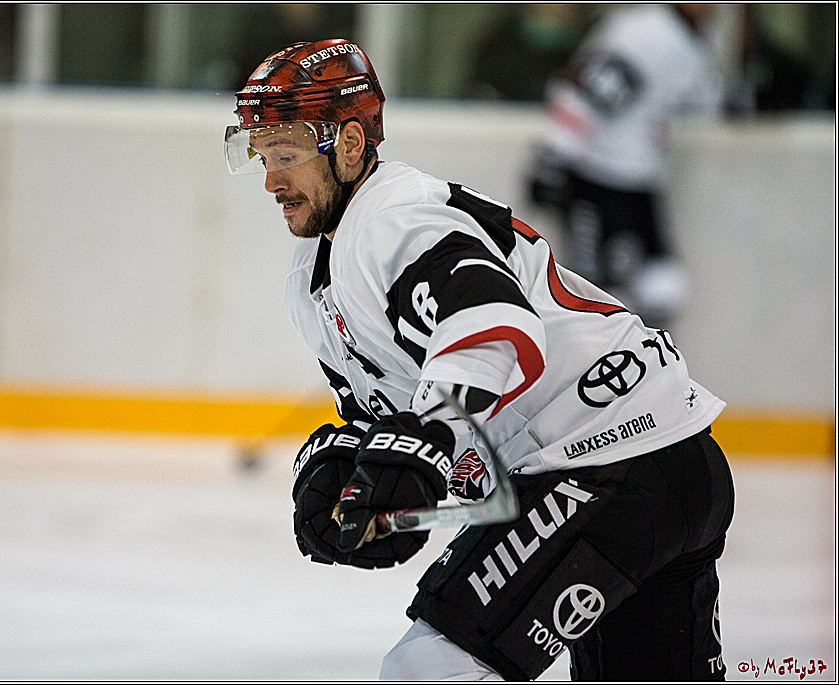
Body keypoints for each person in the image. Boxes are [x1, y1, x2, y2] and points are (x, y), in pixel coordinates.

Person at [225, 38, 734, 680]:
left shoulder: (394, 220)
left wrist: (429, 442)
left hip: (608, 463)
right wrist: (359, 476)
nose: (271, 180)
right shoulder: (314, 274)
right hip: (666, 460)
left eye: (288, 156)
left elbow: (492, 322)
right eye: (262, 156)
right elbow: (412, 433)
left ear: (351, 145)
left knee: (429, 671)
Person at [527, 4, 724, 329]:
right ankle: (601, 374)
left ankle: (649, 368)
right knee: (601, 295)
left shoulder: (686, 36)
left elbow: (699, 98)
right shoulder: (646, 32)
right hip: (598, 179)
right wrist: (553, 159)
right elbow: (587, 91)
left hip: (638, 180)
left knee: (662, 284)